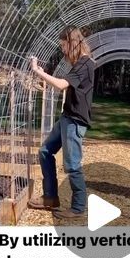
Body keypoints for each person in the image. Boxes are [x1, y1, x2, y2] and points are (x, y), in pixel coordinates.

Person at [28, 26, 95, 219]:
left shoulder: (85, 63)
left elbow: (61, 85)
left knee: (72, 165)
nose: (63, 49)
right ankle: (50, 197)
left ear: (72, 42)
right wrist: (42, 73)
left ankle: (78, 207)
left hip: (75, 121)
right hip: (67, 117)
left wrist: (37, 72)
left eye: (63, 45)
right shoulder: (79, 64)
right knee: (45, 152)